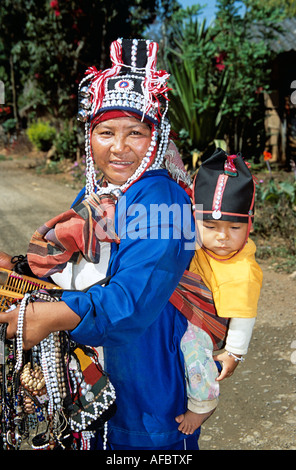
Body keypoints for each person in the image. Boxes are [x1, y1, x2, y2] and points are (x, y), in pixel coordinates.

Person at [0, 38, 212, 450]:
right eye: (105, 131)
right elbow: (79, 273)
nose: (119, 147)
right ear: (89, 135)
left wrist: (53, 316)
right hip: (102, 387)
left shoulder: (164, 201)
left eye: (136, 132)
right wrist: (17, 269)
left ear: (156, 135)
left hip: (147, 393)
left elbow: (131, 300)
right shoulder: (98, 193)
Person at [175, 149, 263, 434]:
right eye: (210, 226)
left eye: (234, 227)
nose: (222, 237)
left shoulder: (243, 269)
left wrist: (234, 354)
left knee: (192, 346)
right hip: (188, 306)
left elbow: (244, 316)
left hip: (208, 325)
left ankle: (203, 402)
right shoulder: (198, 242)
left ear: (248, 226)